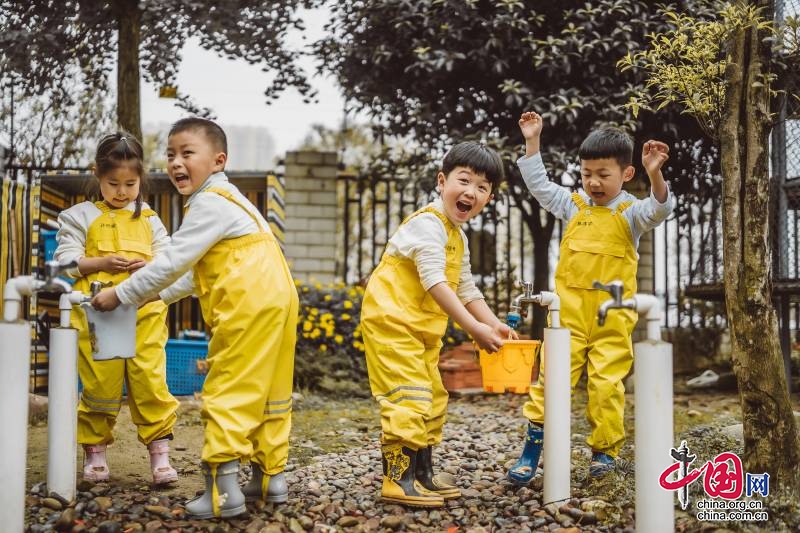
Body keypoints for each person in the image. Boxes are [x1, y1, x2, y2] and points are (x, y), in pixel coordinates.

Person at [91, 118, 298, 519]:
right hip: (278, 299)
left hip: (248, 305)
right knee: (270, 391)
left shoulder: (210, 202)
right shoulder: (233, 200)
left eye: (188, 153)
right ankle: (269, 478)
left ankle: (222, 494)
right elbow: (190, 273)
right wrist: (152, 296)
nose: (176, 162)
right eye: (170, 154)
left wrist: (120, 294)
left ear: (218, 160)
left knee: (228, 389)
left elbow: (172, 260)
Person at [507, 111, 673, 485]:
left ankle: (605, 452)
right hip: (567, 317)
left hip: (611, 319)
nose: (593, 182)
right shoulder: (573, 205)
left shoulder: (632, 213)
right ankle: (532, 450)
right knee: (550, 381)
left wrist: (655, 172)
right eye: (586, 174)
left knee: (606, 386)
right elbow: (539, 186)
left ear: (626, 175)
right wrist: (533, 141)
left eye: (603, 174)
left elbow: (661, 207)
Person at [361, 141, 517, 507]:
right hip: (392, 323)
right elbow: (435, 281)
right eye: (464, 181)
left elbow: (465, 287)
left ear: (489, 197)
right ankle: (397, 479)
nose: (471, 192)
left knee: (432, 397)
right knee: (409, 397)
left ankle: (422, 474)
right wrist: (472, 329)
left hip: (420, 329)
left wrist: (492, 324)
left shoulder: (456, 235)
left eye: (482, 187)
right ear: (442, 181)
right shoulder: (428, 225)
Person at [54, 132, 180, 485]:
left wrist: (148, 266)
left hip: (145, 315)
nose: (122, 192)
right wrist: (101, 261)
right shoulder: (78, 216)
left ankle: (160, 456)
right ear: (97, 175)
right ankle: (94, 453)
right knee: (100, 384)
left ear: (141, 179)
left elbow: (169, 260)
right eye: (113, 183)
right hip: (98, 317)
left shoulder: (151, 219)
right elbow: (65, 261)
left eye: (130, 183)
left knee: (150, 381)